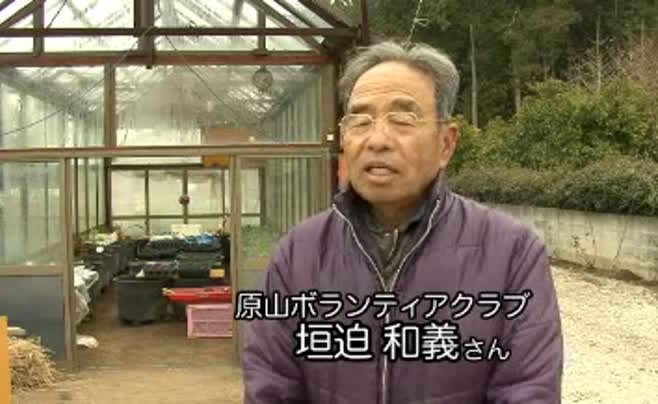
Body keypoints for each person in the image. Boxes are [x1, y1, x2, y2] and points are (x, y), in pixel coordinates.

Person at [241, 40, 563, 404]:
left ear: (446, 144)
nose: (377, 140)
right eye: (360, 120)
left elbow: (528, 391)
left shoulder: (512, 253)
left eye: (402, 119)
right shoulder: (297, 254)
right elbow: (270, 387)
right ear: (344, 138)